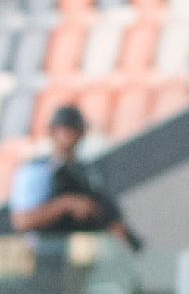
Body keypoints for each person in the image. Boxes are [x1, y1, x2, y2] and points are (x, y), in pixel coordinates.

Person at [10, 104, 128, 256]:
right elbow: (23, 221)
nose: (70, 136)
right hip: (45, 255)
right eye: (65, 130)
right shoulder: (39, 170)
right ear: (53, 132)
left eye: (75, 130)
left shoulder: (85, 172)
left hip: (79, 256)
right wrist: (66, 205)